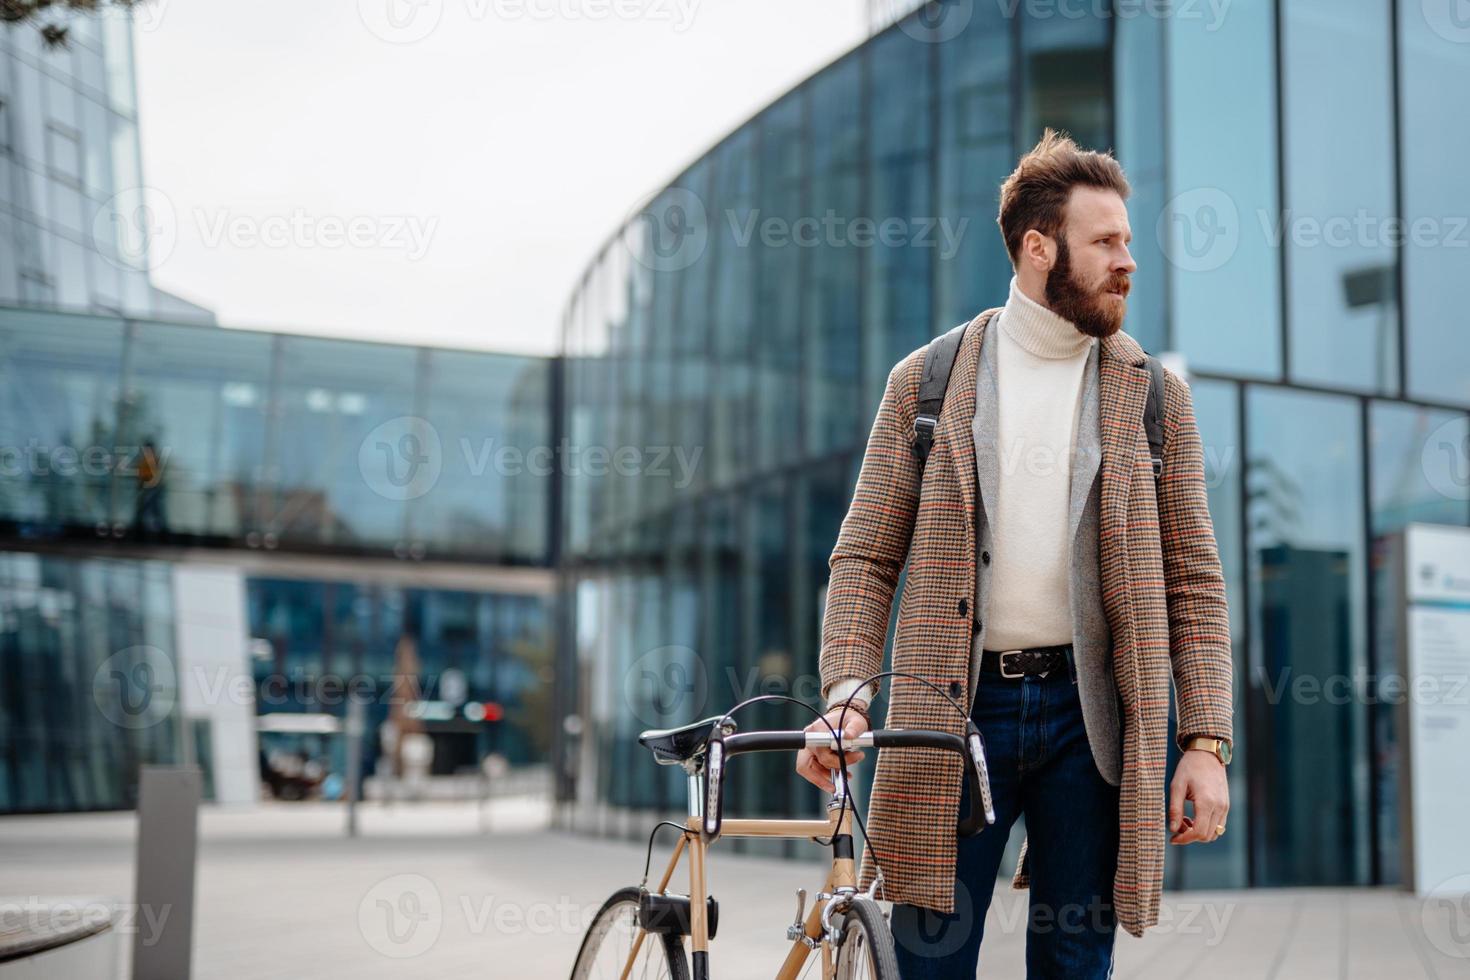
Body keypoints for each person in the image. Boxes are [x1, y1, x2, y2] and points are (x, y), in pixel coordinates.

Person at [795, 129, 1234, 978]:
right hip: (949, 717)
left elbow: (1197, 586)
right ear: (1039, 248)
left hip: (1094, 721)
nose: (1127, 261)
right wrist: (848, 694)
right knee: (927, 961)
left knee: (1075, 963)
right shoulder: (926, 382)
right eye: (1105, 241)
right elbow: (864, 559)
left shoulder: (1153, 398)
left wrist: (1206, 741)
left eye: (1128, 241)